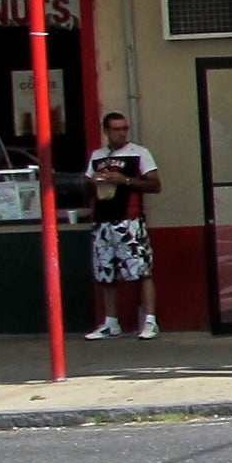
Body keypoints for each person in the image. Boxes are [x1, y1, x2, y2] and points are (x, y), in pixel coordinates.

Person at [83, 111, 164, 340]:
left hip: (129, 220)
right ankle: (111, 321)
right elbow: (86, 187)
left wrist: (125, 180)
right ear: (106, 131)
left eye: (124, 128)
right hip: (103, 219)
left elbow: (155, 184)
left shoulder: (139, 153)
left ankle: (150, 320)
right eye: (116, 129)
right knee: (105, 272)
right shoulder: (97, 156)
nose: (121, 133)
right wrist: (94, 181)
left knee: (142, 269)